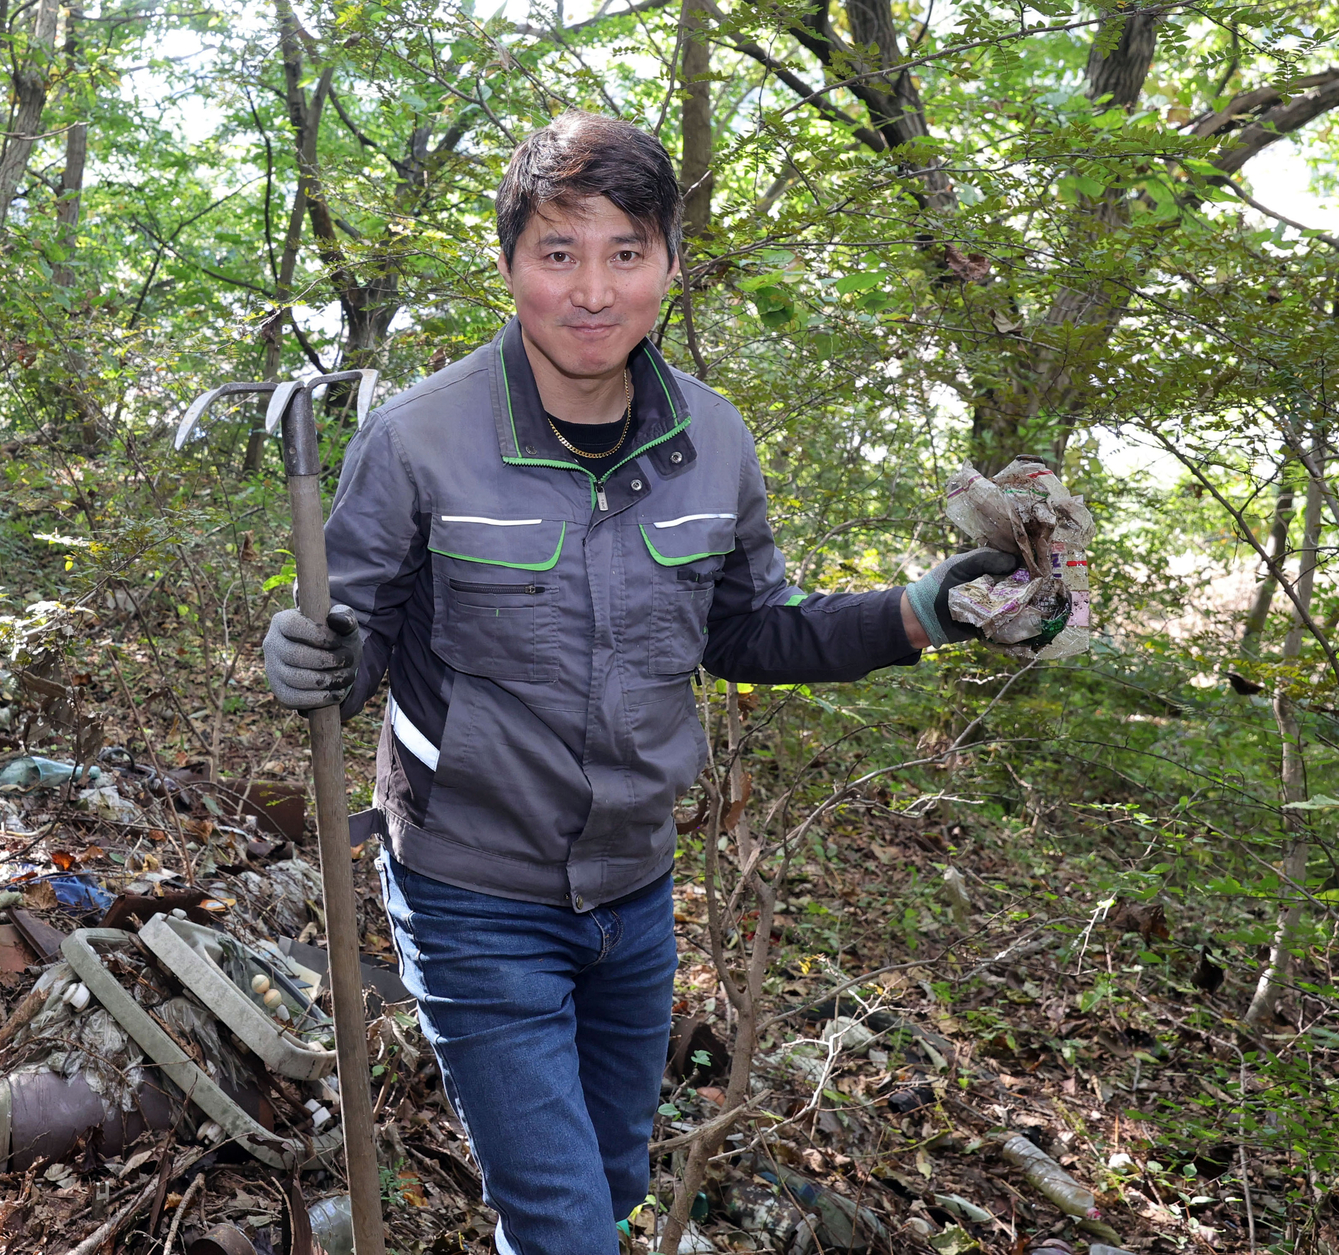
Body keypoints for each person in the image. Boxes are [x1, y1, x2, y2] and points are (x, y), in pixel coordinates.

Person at [260, 111, 1017, 1255]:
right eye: (559, 251)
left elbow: (749, 632)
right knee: (565, 1228)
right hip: (472, 888)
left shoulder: (712, 441)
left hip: (636, 892)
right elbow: (355, 643)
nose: (592, 290)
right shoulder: (416, 440)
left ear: (669, 263)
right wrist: (311, 658)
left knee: (608, 1181)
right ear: (510, 262)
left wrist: (922, 610)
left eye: (625, 252)